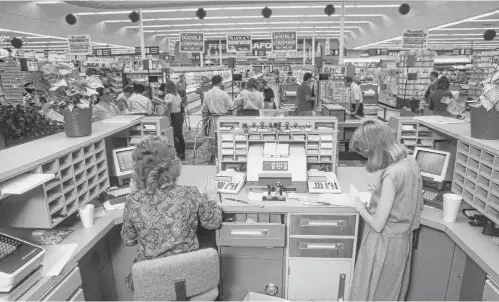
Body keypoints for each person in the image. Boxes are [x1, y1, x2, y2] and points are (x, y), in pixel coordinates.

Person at [121, 136, 223, 294]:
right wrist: (212, 199)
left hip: (153, 284)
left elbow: (129, 240)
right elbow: (213, 222)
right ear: (173, 164)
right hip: (190, 280)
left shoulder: (133, 201)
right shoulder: (190, 193)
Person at [348, 120, 424, 301]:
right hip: (401, 243)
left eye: (366, 154)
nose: (367, 159)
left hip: (383, 244)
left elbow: (377, 224)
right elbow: (408, 197)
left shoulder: (391, 175)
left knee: (371, 291)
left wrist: (359, 206)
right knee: (391, 291)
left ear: (374, 149)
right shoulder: (410, 162)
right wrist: (380, 191)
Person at [164, 80, 186, 160]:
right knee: (179, 135)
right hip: (179, 115)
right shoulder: (177, 95)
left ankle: (178, 152)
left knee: (174, 135)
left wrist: (168, 118)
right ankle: (182, 152)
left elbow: (169, 107)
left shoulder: (168, 96)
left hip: (174, 116)